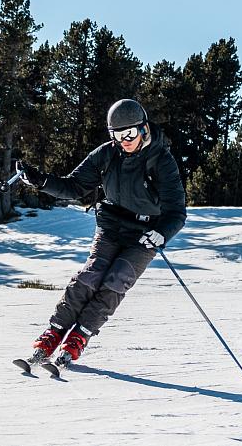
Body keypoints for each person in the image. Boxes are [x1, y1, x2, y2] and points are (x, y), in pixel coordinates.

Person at [14, 98, 186, 369]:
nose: (124, 140)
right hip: (111, 225)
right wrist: (41, 181)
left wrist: (162, 234)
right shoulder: (107, 154)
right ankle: (53, 332)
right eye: (117, 135)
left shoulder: (161, 160)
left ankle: (79, 337)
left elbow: (177, 212)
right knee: (91, 275)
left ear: (143, 129)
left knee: (117, 279)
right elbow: (73, 186)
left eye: (129, 133)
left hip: (144, 234)